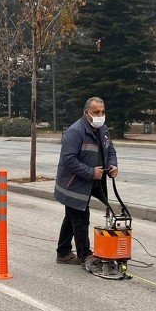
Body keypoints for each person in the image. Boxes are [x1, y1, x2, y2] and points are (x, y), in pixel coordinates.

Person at [54, 97, 119, 265]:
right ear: (86, 113)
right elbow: (69, 159)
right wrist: (90, 172)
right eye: (96, 112)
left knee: (71, 218)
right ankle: (85, 255)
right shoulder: (75, 132)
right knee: (81, 219)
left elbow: (110, 150)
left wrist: (112, 166)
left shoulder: (103, 129)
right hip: (74, 184)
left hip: (91, 183)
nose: (100, 115)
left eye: (102, 112)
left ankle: (63, 252)